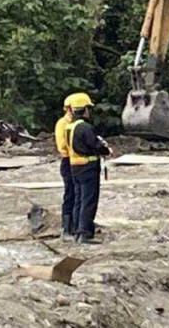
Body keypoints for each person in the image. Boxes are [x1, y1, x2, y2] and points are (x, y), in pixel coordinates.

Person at [66, 93, 112, 244]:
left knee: (79, 200)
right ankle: (85, 233)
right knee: (88, 200)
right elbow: (95, 145)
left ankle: (77, 231)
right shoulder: (85, 127)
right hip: (88, 167)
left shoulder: (69, 127)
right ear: (84, 109)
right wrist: (106, 150)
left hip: (75, 166)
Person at [55, 93, 77, 240]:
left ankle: (77, 225)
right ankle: (66, 229)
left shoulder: (77, 123)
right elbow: (62, 145)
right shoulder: (63, 124)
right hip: (68, 161)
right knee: (70, 194)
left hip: (77, 161)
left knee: (78, 195)